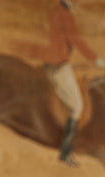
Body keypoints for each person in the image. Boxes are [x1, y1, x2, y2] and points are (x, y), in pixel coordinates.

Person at [14, 0, 105, 164]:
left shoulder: (58, 10)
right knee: (77, 107)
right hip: (58, 64)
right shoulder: (65, 14)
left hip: (59, 60)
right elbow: (75, 38)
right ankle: (65, 152)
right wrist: (95, 59)